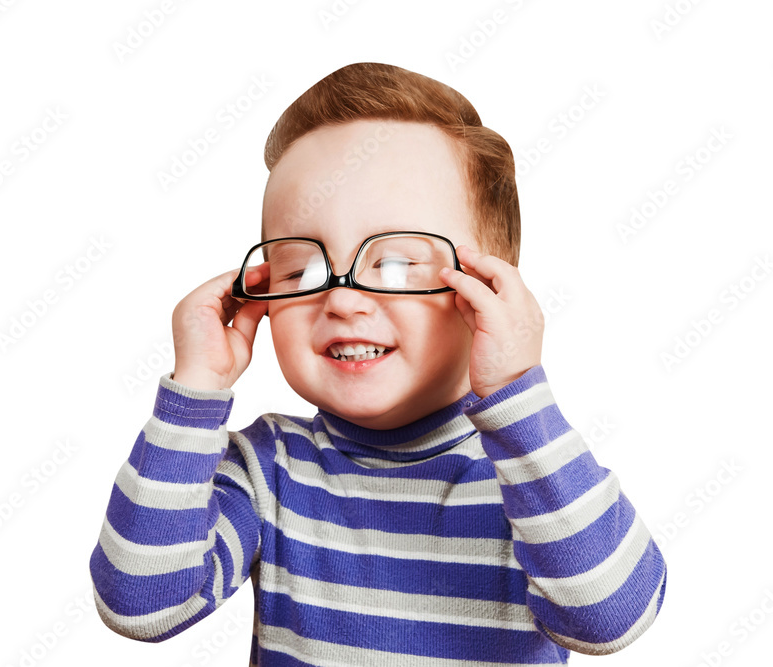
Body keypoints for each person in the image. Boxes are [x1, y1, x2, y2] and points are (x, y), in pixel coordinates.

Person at [89, 62, 667, 664]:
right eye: (301, 269)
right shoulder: (268, 470)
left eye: (394, 266)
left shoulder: (531, 477)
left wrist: (518, 393)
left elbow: (610, 618)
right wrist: (196, 392)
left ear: (490, 294)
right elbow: (140, 606)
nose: (339, 298)